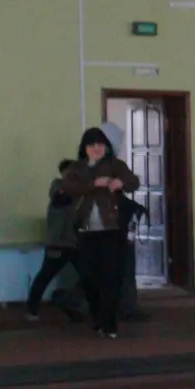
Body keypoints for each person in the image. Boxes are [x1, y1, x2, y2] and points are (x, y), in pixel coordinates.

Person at [58, 126, 140, 339]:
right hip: (86, 232)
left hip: (112, 230)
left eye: (100, 144)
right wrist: (94, 183)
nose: (97, 148)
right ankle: (98, 317)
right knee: (89, 278)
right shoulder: (77, 168)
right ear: (84, 148)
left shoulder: (114, 165)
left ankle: (110, 323)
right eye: (92, 145)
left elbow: (133, 181)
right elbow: (69, 188)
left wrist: (121, 182)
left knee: (111, 277)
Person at [26, 160, 86, 323]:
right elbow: (61, 197)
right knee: (45, 276)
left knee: (89, 276)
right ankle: (32, 308)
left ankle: (71, 303)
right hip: (58, 244)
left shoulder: (78, 193)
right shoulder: (58, 189)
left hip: (73, 243)